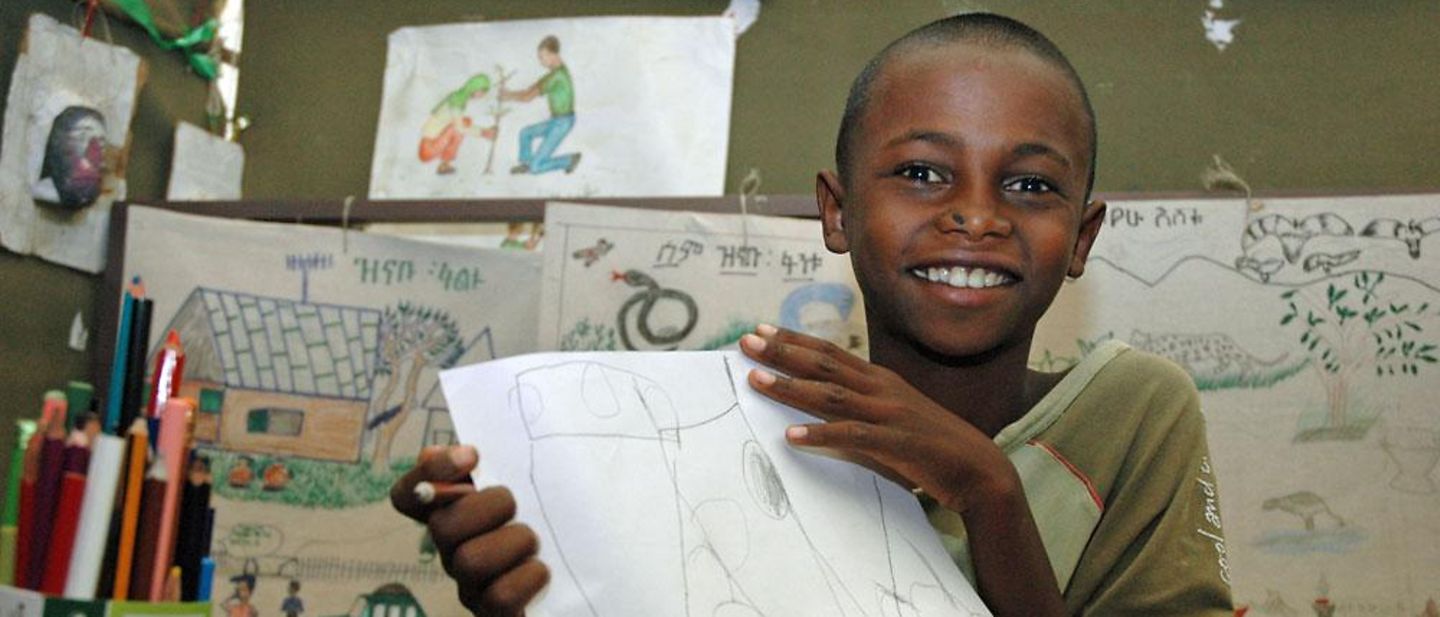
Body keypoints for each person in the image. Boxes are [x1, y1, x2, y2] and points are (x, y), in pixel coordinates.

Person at [391, 12, 1234, 617]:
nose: (979, 215)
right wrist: (542, 589)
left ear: (1082, 236)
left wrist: (989, 492)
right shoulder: (728, 440)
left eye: (1031, 185)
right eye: (922, 173)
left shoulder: (1132, 414)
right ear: (835, 212)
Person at [502, 35, 581, 175]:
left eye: (542, 57)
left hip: (563, 122)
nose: (541, 61)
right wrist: (509, 94)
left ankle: (569, 160)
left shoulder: (557, 76)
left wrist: (508, 96)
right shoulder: (554, 73)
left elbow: (527, 97)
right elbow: (529, 90)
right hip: (556, 120)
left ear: (553, 55)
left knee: (537, 168)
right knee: (525, 133)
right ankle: (526, 164)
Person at [418, 73, 497, 175]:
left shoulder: (459, 96)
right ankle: (444, 165)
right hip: (428, 148)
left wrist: (484, 131)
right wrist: (483, 133)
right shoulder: (457, 100)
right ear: (474, 88)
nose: (483, 95)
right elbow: (459, 128)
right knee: (458, 128)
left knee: (465, 121)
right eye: (482, 91)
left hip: (433, 142)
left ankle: (445, 163)